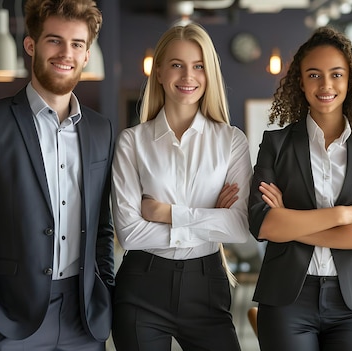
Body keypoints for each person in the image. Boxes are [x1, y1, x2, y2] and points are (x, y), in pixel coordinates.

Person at [0, 0, 114, 350]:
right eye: (54, 40)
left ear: (86, 54)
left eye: (77, 44)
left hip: (84, 322)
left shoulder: (102, 130)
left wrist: (106, 294)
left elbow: (102, 226)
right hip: (10, 320)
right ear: (31, 45)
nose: (65, 53)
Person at [248, 26, 352, 351]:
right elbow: (261, 223)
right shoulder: (277, 143)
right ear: (300, 81)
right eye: (314, 74)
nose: (325, 85)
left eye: (336, 74)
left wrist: (290, 221)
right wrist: (341, 215)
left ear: (351, 81)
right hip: (287, 298)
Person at [110, 23, 252, 351]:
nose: (188, 76)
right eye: (177, 65)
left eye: (198, 66)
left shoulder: (231, 141)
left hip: (207, 284)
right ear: (158, 72)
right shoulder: (132, 142)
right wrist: (209, 216)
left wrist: (166, 213)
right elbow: (131, 233)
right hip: (141, 286)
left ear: (210, 73)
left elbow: (239, 227)